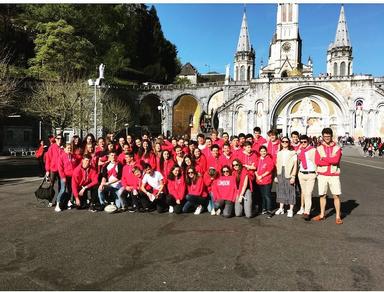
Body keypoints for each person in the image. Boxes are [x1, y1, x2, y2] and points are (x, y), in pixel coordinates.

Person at [313, 128, 343, 225]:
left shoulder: (337, 148)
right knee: (322, 195)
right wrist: (330, 160)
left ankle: (338, 216)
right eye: (325, 136)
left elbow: (336, 160)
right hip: (322, 175)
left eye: (328, 136)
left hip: (334, 175)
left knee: (336, 195)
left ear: (331, 136)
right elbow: (317, 161)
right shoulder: (319, 148)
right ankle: (322, 214)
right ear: (322, 136)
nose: (326, 138)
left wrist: (324, 158)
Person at [275, 137, 298, 218]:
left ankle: (290, 209)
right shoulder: (279, 153)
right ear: (281, 143)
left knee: (290, 190)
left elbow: (295, 165)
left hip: (289, 172)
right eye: (283, 141)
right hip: (280, 172)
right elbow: (277, 164)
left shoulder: (293, 153)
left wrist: (293, 176)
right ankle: (281, 208)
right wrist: (276, 176)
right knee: (280, 190)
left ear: (289, 143)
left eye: (286, 141)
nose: (285, 143)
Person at [297, 135, 317, 220]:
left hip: (310, 174)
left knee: (308, 193)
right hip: (301, 174)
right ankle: (305, 208)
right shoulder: (300, 150)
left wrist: (317, 173)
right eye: (301, 142)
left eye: (305, 142)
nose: (303, 143)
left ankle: (307, 212)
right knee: (304, 193)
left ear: (308, 141)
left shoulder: (313, 150)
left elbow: (316, 162)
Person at [56, 143, 79, 212]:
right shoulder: (61, 157)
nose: (69, 149)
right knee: (62, 190)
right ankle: (57, 204)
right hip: (64, 176)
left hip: (72, 177)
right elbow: (60, 168)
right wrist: (63, 177)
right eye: (68, 148)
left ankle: (67, 202)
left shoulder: (73, 156)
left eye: (70, 148)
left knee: (70, 190)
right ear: (65, 149)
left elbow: (75, 166)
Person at [255, 146, 275, 218]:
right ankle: (264, 209)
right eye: (261, 151)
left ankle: (269, 210)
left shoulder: (269, 159)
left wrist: (262, 176)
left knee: (267, 196)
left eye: (264, 151)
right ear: (259, 152)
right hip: (259, 180)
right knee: (262, 196)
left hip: (266, 180)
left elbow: (269, 170)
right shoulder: (258, 159)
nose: (263, 152)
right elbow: (255, 168)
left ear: (266, 152)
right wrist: (257, 176)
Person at [45, 134, 63, 206]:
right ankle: (50, 200)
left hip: (61, 169)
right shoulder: (52, 147)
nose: (60, 140)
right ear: (55, 139)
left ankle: (59, 200)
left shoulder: (63, 148)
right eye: (58, 138)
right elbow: (48, 159)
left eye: (61, 139)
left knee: (61, 186)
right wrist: (47, 170)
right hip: (53, 169)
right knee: (51, 185)